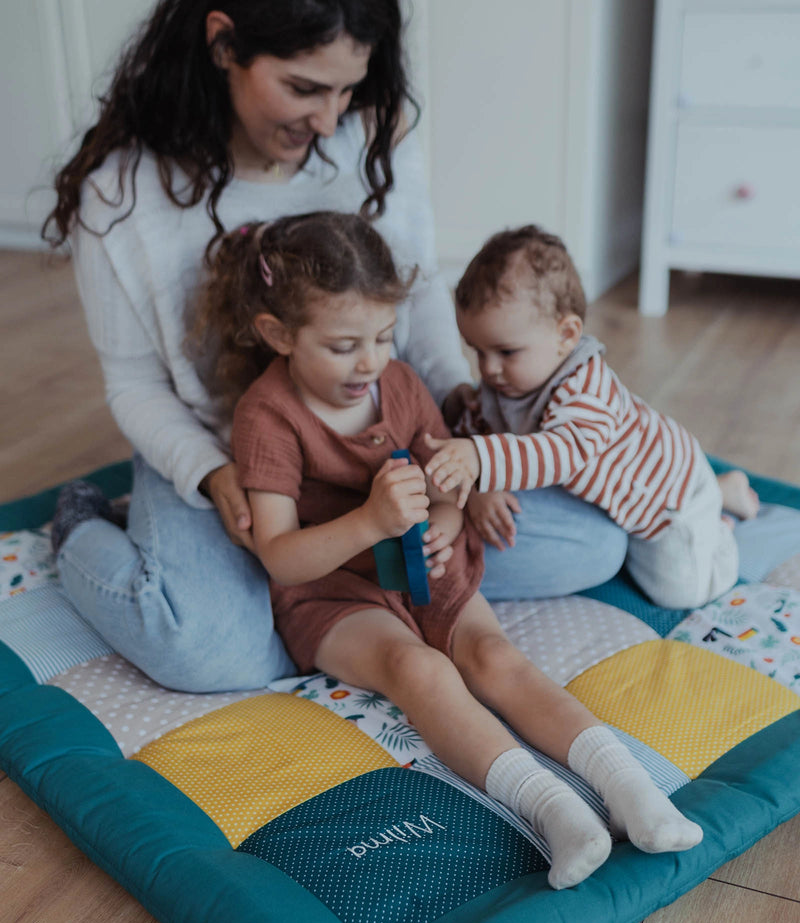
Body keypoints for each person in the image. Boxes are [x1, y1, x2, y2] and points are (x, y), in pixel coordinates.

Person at [43, 0, 626, 693]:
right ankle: (81, 524)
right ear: (224, 43)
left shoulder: (367, 137)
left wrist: (454, 438)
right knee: (208, 651)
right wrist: (208, 473)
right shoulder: (120, 194)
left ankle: (320, 590)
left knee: (593, 545)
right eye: (304, 88)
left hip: (370, 447)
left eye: (347, 88)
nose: (328, 120)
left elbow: (423, 290)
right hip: (228, 460)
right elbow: (134, 384)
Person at [201, 210, 703, 889]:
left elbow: (444, 474)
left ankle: (631, 789)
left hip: (422, 564)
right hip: (332, 592)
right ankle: (555, 812)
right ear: (278, 335)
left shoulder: (399, 384)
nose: (370, 361)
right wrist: (370, 522)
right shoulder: (268, 416)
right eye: (345, 344)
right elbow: (280, 557)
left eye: (383, 336)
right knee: (422, 672)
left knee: (495, 656)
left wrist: (444, 514)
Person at [425, 225, 761, 610]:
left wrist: (481, 460)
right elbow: (477, 426)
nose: (488, 368)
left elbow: (562, 453)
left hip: (666, 496)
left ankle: (716, 526)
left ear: (566, 335)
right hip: (612, 500)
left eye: (506, 352)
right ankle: (722, 489)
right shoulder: (502, 385)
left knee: (678, 592)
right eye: (477, 351)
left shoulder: (586, 386)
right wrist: (479, 485)